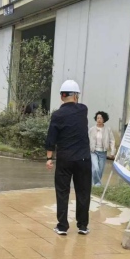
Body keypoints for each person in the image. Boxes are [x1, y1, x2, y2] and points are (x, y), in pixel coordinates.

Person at [45, 80, 92, 236]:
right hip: (83, 159)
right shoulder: (83, 110)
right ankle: (83, 226)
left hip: (65, 159)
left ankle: (62, 226)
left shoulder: (57, 115)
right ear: (76, 96)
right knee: (83, 191)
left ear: (61, 96)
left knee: (62, 192)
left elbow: (51, 137)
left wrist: (49, 158)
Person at [89, 111, 115, 187]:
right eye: (98, 118)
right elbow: (87, 140)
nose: (99, 120)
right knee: (95, 168)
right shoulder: (91, 129)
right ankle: (97, 184)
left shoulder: (108, 129)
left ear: (104, 119)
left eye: (101, 118)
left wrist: (112, 152)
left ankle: (95, 185)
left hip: (103, 152)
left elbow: (112, 140)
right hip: (93, 151)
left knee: (100, 170)